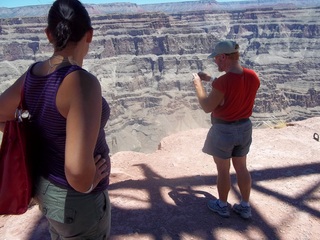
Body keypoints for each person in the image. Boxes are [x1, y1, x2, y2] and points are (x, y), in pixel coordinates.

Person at [0, 0, 111, 238]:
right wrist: (89, 183)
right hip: (77, 202)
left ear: (49, 34)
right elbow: (76, 170)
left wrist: (30, 125)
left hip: (47, 191)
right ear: (89, 35)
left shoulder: (32, 75)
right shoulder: (83, 83)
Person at [192, 40, 260, 219]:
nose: (215, 61)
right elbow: (235, 86)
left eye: (216, 58)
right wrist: (211, 79)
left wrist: (199, 85)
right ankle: (245, 206)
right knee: (242, 168)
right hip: (244, 128)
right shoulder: (253, 76)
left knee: (223, 170)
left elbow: (207, 106)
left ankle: (222, 205)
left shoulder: (222, 82)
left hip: (223, 131)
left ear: (223, 57)